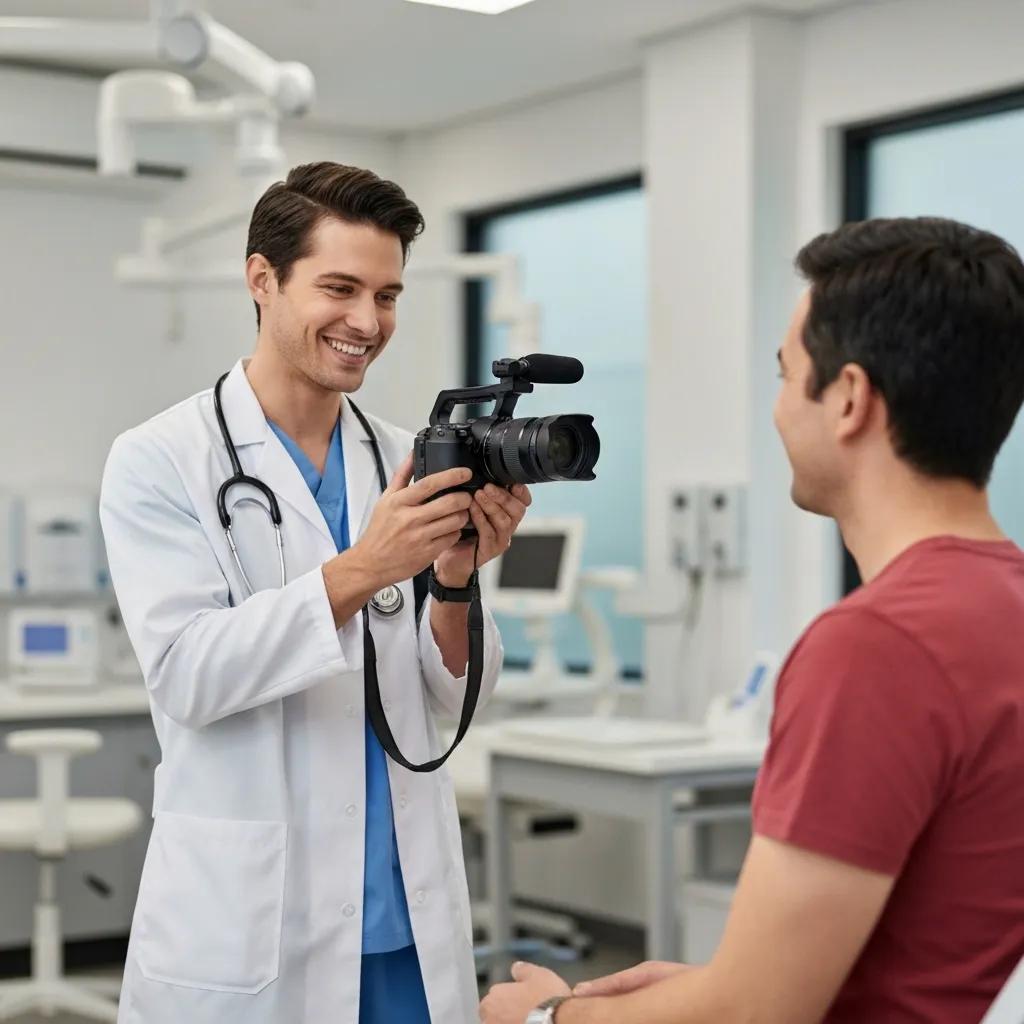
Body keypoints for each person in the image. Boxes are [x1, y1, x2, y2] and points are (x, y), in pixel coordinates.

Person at [482, 216, 1024, 1024]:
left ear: (847, 400)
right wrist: (702, 986)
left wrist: (548, 1017)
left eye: (784, 375)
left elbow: (753, 1016)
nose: (776, 410)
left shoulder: (876, 648)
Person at [100, 162, 530, 1024]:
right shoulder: (161, 460)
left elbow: (450, 697)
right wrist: (362, 568)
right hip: (255, 931)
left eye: (388, 295)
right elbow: (188, 676)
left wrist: (454, 579)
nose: (367, 323)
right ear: (261, 279)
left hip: (404, 918)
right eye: (339, 287)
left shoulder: (408, 454)